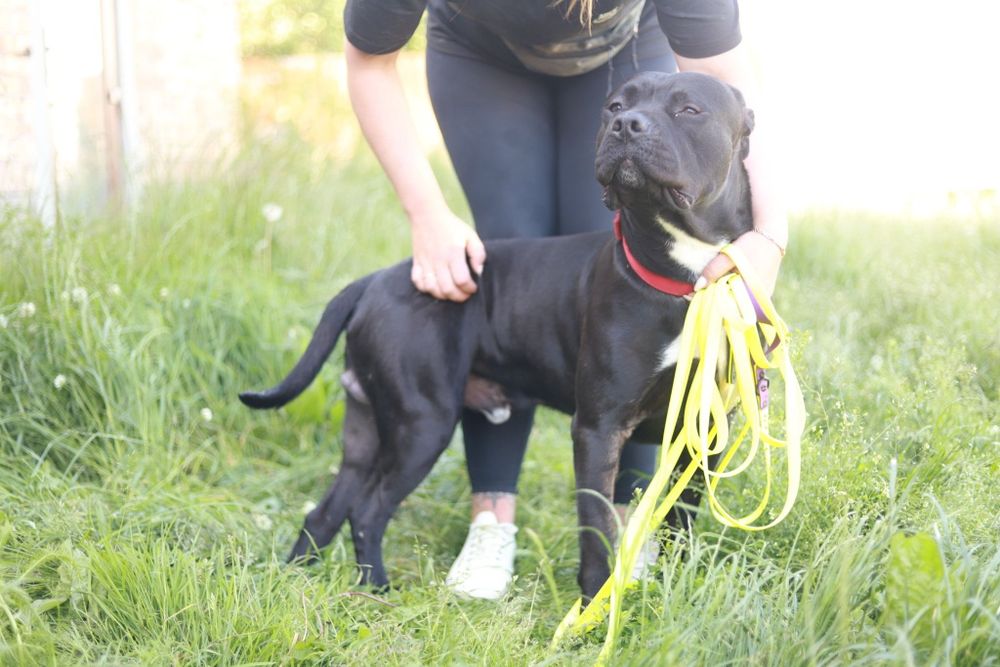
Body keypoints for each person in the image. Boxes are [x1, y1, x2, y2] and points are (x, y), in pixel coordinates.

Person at [341, 0, 787, 599]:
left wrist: (769, 239)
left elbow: (731, 91)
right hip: (481, 52)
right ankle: (491, 522)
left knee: (619, 277)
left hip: (624, 47)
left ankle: (632, 523)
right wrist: (426, 213)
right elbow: (369, 63)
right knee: (507, 268)